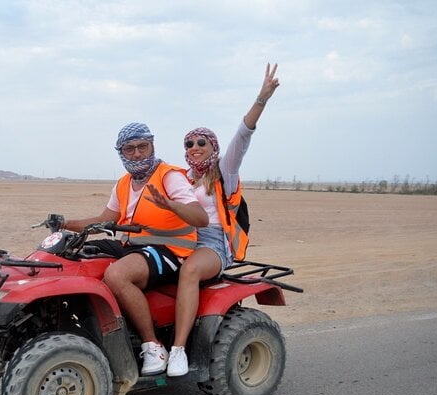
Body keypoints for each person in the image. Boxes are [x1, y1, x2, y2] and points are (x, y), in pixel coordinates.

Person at [146, 63, 280, 376]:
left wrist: (261, 99)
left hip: (213, 244)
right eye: (189, 144)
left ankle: (178, 350)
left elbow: (243, 136)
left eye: (200, 143)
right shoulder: (181, 178)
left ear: (213, 147)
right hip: (181, 238)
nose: (193, 148)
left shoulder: (225, 172)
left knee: (190, 271)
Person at [61, 122, 209, 375]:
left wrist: (170, 205)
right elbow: (105, 219)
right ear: (121, 152)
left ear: (152, 146)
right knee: (72, 256)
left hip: (170, 250)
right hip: (132, 245)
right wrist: (64, 224)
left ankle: (153, 346)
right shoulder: (123, 184)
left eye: (143, 146)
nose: (137, 153)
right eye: (130, 149)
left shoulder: (169, 176)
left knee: (117, 275)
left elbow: (200, 217)